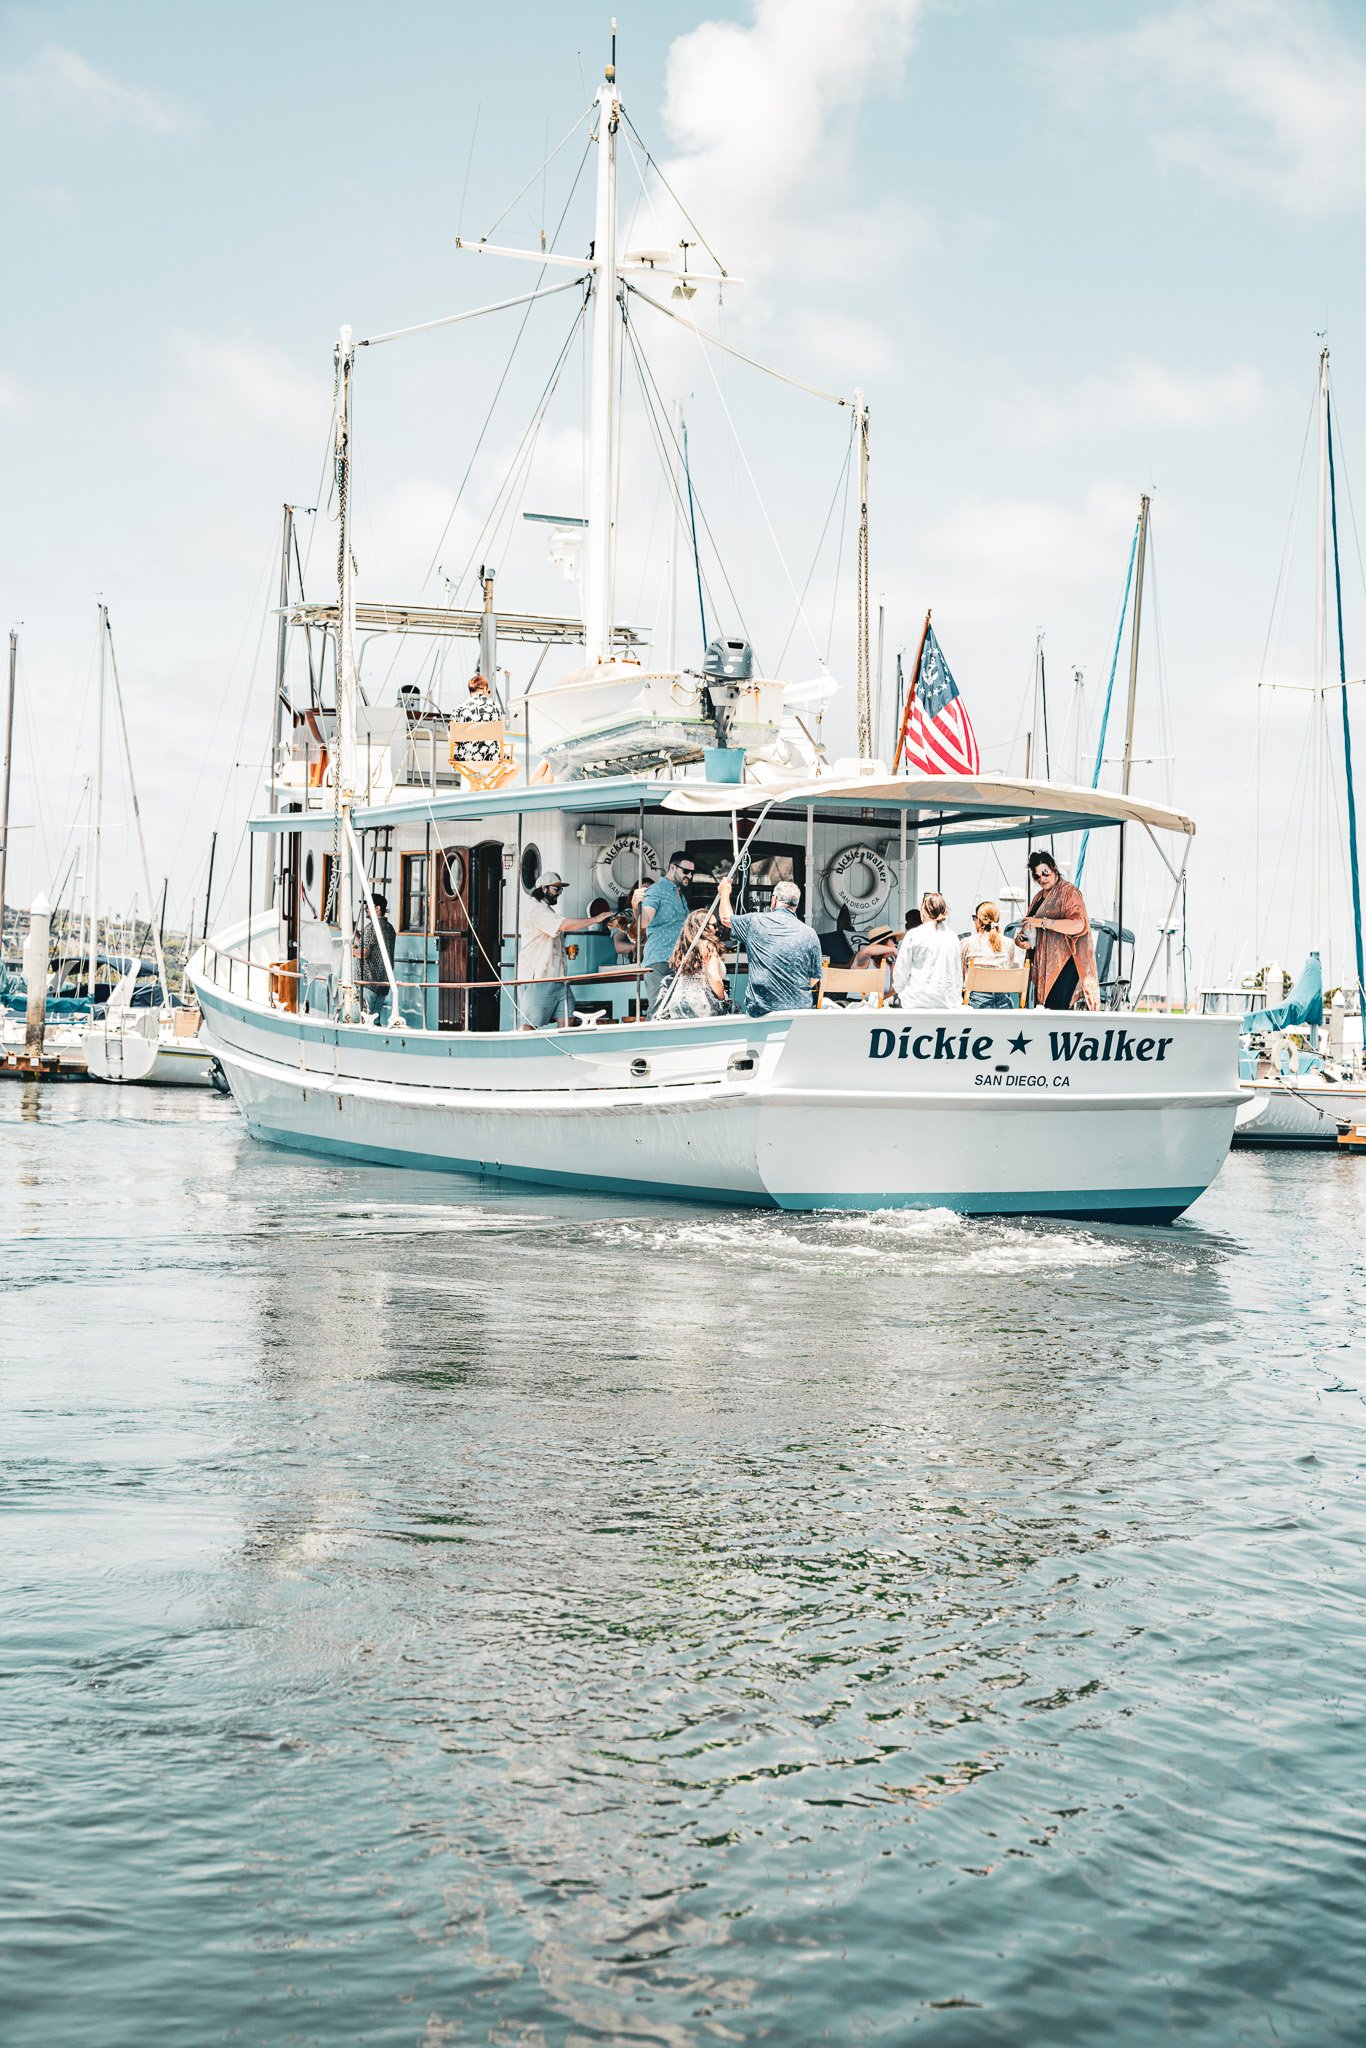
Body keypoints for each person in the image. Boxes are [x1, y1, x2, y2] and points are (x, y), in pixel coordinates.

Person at [717, 874, 823, 1017]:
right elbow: (815, 977)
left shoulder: (755, 922)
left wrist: (724, 892)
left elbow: (725, 918)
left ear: (774, 900)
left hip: (762, 1009)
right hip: (799, 1010)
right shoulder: (810, 934)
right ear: (796, 906)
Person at [517, 872, 606, 1030]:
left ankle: (562, 1052)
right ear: (543, 889)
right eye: (556, 889)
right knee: (531, 1023)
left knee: (567, 1019)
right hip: (539, 978)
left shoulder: (546, 910)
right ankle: (524, 1052)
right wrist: (595, 919)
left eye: (560, 889)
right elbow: (563, 925)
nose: (559, 893)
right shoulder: (536, 909)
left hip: (558, 978)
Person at [1019, 850, 1099, 1011]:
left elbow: (1078, 925)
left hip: (1066, 962)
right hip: (1043, 965)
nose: (1042, 879)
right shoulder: (1038, 897)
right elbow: (1028, 926)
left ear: (1054, 869)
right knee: (1046, 1009)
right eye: (1037, 876)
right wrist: (1021, 941)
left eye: (1045, 873)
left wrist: (1043, 922)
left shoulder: (1069, 892)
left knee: (1057, 1009)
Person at [640, 852, 695, 1010]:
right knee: (659, 1009)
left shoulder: (678, 894)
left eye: (692, 872)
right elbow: (644, 921)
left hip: (679, 960)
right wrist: (635, 904)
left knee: (678, 1011)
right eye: (686, 871)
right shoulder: (656, 890)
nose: (689, 876)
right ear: (672, 867)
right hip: (660, 959)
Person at [653, 909, 731, 1019]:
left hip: (678, 1002)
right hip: (701, 1002)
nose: (717, 929)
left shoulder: (684, 948)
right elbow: (714, 977)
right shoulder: (707, 946)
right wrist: (723, 997)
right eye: (714, 925)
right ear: (703, 926)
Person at [892, 892, 963, 1010]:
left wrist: (900, 991)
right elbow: (957, 973)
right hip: (949, 1003)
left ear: (923, 912)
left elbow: (901, 971)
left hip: (916, 1002)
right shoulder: (953, 937)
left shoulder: (913, 935)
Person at [962, 900, 1020, 1009]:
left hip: (976, 1003)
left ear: (979, 920)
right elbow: (1009, 967)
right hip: (1004, 1003)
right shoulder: (1009, 943)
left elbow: (962, 974)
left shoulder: (967, 942)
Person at [448, 671, 503, 768]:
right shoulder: (495, 706)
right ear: (486, 689)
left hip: (465, 758)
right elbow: (499, 731)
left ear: (470, 692)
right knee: (517, 766)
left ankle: (477, 784)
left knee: (472, 774)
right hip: (492, 757)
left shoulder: (459, 709)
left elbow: (451, 736)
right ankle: (494, 784)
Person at [358, 892, 397, 1020]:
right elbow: (374, 947)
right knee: (375, 1020)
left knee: (364, 1020)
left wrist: (349, 950)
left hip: (368, 983)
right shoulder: (389, 928)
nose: (365, 909)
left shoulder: (371, 928)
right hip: (383, 984)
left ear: (377, 908)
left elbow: (364, 953)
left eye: (368, 906)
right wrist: (358, 937)